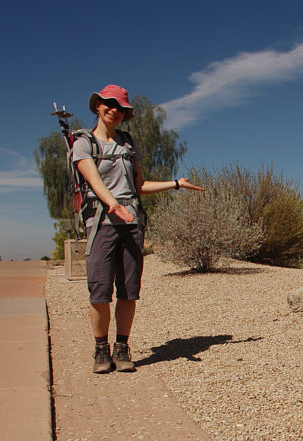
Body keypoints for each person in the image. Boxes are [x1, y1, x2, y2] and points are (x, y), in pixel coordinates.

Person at [73, 84, 204, 374]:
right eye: (109, 104)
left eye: (120, 107)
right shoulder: (83, 143)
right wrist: (112, 204)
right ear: (98, 106)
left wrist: (175, 184)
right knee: (99, 291)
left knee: (129, 291)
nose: (114, 110)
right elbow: (93, 179)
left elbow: (139, 185)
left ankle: (122, 346)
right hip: (102, 224)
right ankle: (100, 349)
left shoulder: (128, 144)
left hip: (131, 224)